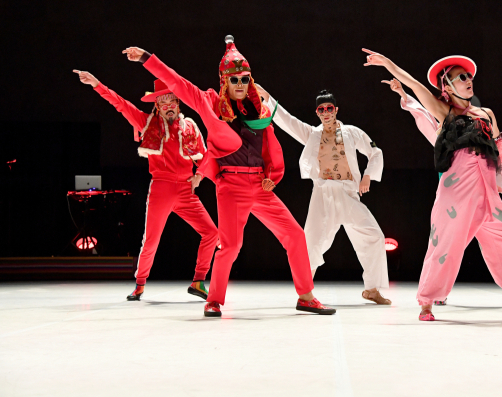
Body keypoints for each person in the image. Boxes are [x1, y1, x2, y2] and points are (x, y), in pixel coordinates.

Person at [122, 36, 335, 317]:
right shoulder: (210, 103)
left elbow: (269, 145)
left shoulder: (257, 109)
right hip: (231, 186)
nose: (240, 84)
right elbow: (178, 83)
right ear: (225, 81)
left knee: (295, 235)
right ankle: (213, 300)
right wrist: (146, 58)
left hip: (258, 185)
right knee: (231, 246)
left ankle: (306, 296)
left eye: (245, 79)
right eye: (234, 80)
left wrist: (272, 176)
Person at [362, 50, 502, 322]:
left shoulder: (487, 114)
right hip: (456, 194)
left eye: (469, 76)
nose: (469, 80)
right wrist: (388, 64)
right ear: (446, 86)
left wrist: (501, 181)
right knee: (444, 246)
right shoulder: (444, 111)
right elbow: (415, 85)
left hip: (487, 195)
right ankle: (426, 303)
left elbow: (499, 150)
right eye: (462, 77)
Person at [73, 70, 231, 301]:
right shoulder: (148, 123)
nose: (168, 106)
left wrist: (199, 175)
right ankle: (139, 284)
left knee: (211, 232)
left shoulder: (189, 127)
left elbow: (207, 156)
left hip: (186, 190)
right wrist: (97, 84)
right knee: (151, 240)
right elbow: (121, 104)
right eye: (163, 102)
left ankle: (198, 281)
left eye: (172, 101)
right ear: (157, 105)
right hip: (161, 188)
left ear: (178, 103)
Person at [256, 86, 391, 304]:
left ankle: (372, 289)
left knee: (374, 236)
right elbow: (288, 121)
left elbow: (375, 152)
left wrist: (367, 176)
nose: (326, 113)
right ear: (317, 112)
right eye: (321, 109)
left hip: (348, 193)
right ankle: (305, 292)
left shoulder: (351, 132)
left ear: (336, 110)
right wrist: (268, 98)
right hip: (323, 195)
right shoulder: (313, 134)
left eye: (329, 108)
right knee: (312, 243)